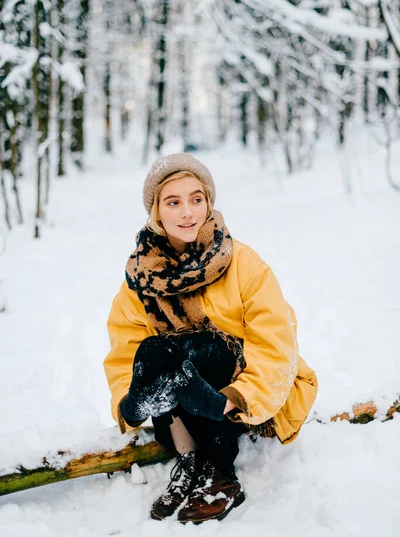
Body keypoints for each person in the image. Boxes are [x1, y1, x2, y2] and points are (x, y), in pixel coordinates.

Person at [104, 153, 318, 524]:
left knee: (202, 345)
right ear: (156, 211)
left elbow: (276, 349)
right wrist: (129, 402)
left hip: (247, 396)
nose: (187, 212)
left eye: (196, 199)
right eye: (174, 202)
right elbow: (126, 351)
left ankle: (221, 475)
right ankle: (189, 460)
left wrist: (231, 400)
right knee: (155, 350)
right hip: (185, 396)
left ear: (208, 202)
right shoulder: (141, 278)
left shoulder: (243, 263)